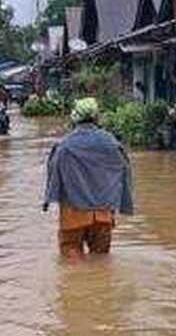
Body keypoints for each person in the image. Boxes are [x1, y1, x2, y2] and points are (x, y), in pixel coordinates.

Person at [43, 97, 134, 259]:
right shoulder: (112, 144)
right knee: (101, 260)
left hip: (73, 213)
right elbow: (124, 173)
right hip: (103, 213)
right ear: (97, 117)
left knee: (71, 256)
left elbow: (54, 176)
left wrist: (47, 201)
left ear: (75, 117)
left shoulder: (65, 145)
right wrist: (123, 204)